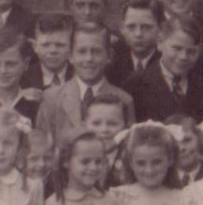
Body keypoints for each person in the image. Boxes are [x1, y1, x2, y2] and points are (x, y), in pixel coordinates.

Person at [34, 22, 135, 152]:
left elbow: (127, 151)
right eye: (82, 51)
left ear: (109, 56)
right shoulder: (51, 98)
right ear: (70, 56)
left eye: (96, 52)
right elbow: (42, 148)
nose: (88, 58)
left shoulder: (124, 100)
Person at [127, 16, 203, 125]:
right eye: (177, 48)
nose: (183, 57)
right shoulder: (135, 85)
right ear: (160, 43)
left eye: (192, 51)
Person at [108, 0, 163, 93]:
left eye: (146, 27)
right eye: (131, 27)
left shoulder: (165, 62)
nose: (138, 34)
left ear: (160, 29)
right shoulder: (113, 64)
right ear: (122, 28)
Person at [23, 14, 75, 90]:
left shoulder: (80, 76)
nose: (53, 50)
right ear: (35, 47)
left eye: (60, 45)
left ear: (71, 47)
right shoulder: (23, 79)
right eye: (46, 45)